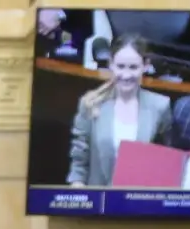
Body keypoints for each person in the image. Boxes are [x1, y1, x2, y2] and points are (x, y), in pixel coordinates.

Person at [67, 35, 172, 187]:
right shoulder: (90, 103)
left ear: (145, 66)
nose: (126, 75)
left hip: (139, 202)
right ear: (111, 64)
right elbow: (79, 163)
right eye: (121, 66)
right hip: (97, 202)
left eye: (133, 67)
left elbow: (165, 164)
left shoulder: (160, 106)